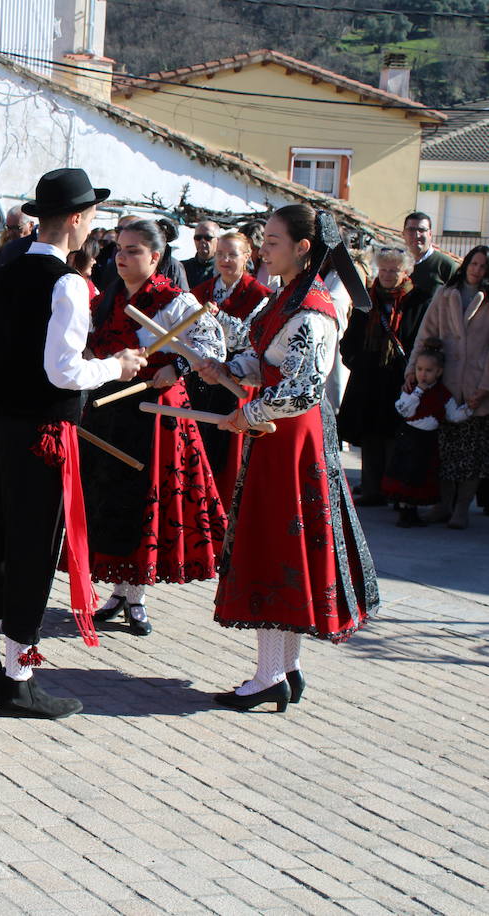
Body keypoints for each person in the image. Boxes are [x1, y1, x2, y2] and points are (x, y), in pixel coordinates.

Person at [0, 167, 147, 718]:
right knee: (32, 551)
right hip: (41, 436)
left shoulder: (1, 274)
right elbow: (64, 371)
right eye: (92, 214)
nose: (93, 223)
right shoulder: (66, 283)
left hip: (0, 427)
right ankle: (19, 677)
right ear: (76, 219)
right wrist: (115, 366)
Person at [199, 204, 378, 712]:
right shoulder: (289, 297)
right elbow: (271, 362)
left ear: (303, 248)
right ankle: (282, 669)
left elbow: (302, 387)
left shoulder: (313, 309)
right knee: (278, 549)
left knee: (276, 550)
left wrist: (248, 410)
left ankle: (271, 674)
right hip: (276, 437)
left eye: (273, 241)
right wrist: (228, 367)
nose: (264, 249)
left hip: (290, 440)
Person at [79, 219, 226, 637]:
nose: (121, 258)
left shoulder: (174, 302)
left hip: (155, 412)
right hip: (111, 414)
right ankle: (117, 591)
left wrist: (176, 368)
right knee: (111, 500)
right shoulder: (107, 298)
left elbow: (212, 346)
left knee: (148, 501)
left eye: (132, 251)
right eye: (119, 250)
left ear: (155, 257)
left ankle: (137, 597)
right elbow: (92, 343)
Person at [404, 245, 488, 528]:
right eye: (474, 264)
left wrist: (485, 386)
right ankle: (442, 503)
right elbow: (425, 333)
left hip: (475, 385)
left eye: (483, 266)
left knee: (471, 453)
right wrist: (412, 371)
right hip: (444, 381)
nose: (477, 270)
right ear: (466, 265)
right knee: (442, 451)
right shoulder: (446, 293)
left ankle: (462, 507)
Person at [188, 230, 271, 501]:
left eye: (232, 254)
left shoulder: (260, 295)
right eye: (220, 253)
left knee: (228, 448)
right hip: (202, 376)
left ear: (247, 257)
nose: (225, 260)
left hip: (237, 379)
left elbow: (250, 338)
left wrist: (219, 317)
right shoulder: (204, 289)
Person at [336, 246, 417, 507]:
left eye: (394, 270)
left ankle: (393, 488)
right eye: (383, 269)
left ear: (405, 273)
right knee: (370, 435)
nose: (388, 275)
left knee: (395, 435)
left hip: (400, 379)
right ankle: (372, 488)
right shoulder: (366, 300)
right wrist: (356, 361)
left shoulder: (416, 300)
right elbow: (350, 338)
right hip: (369, 379)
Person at [385, 339, 473, 527]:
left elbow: (453, 415)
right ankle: (404, 511)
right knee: (405, 474)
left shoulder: (443, 394)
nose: (423, 375)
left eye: (428, 370)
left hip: (427, 441)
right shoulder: (411, 390)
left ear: (439, 372)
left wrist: (469, 408)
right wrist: (417, 392)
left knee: (419, 475)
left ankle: (413, 510)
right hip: (409, 437)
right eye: (419, 369)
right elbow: (403, 410)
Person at [182, 220, 220, 287]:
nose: (202, 241)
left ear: (218, 241)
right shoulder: (182, 268)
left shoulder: (225, 269)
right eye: (198, 238)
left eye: (208, 238)